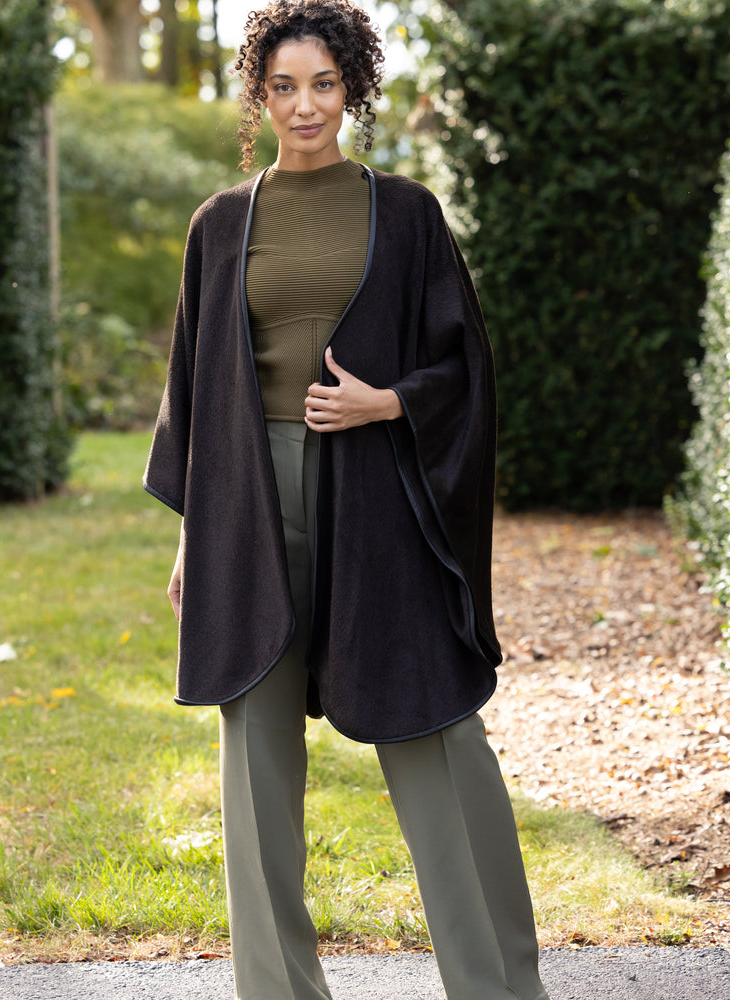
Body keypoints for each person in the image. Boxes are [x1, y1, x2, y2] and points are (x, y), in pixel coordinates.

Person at [144, 1, 550, 998]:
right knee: (254, 754)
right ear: (258, 95)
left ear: (351, 88)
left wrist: (387, 401)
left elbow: (464, 366)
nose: (304, 105)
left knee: (437, 728)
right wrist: (197, 533)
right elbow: (197, 390)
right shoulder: (219, 226)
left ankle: (499, 984)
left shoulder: (405, 213)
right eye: (283, 86)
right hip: (248, 498)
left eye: (322, 83)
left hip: (380, 496)